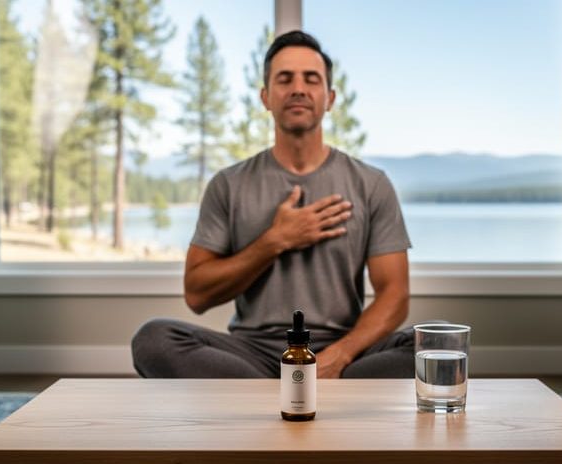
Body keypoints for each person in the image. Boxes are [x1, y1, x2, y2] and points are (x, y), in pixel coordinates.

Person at [132, 30, 413, 379]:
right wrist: (274, 241)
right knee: (153, 339)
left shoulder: (371, 184)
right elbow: (196, 293)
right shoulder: (229, 184)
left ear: (330, 98)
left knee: (440, 341)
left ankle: (282, 394)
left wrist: (339, 356)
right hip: (254, 355)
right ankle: (294, 391)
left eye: (311, 79)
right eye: (285, 79)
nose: (298, 88)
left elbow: (395, 294)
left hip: (343, 352)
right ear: (266, 97)